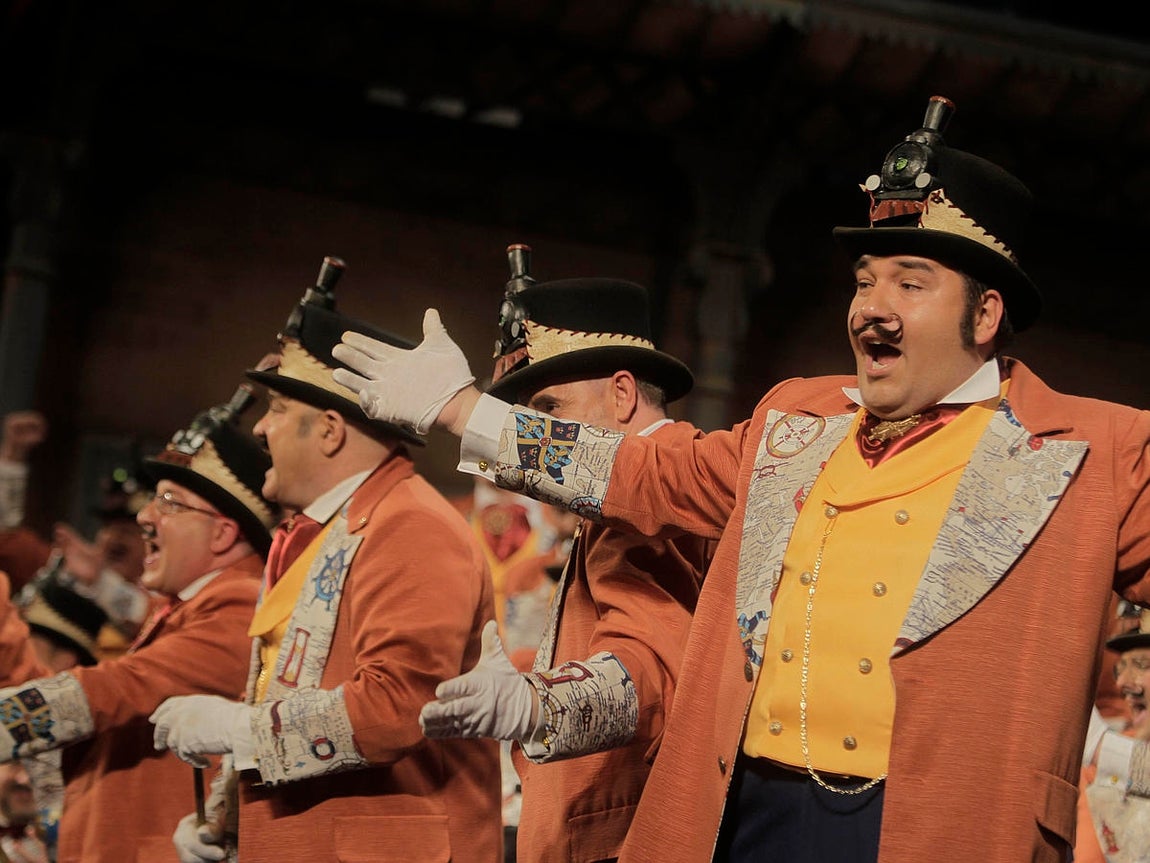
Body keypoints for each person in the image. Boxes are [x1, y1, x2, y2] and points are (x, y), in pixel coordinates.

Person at [330, 95, 1150, 863]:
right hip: (745, 806)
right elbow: (649, 469)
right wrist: (466, 411)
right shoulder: (796, 418)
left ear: (986, 313)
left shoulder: (1098, 450)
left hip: (938, 824)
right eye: (864, 280)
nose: (872, 306)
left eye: (910, 280)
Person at [149, 258, 502, 862]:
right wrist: (226, 827)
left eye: (279, 411)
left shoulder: (411, 524)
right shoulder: (327, 528)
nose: (260, 430)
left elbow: (398, 707)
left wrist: (235, 730)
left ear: (331, 431)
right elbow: (281, 689)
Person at [417, 257, 712, 862]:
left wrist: (537, 704)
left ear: (623, 393)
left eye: (547, 411)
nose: (532, 433)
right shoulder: (626, 501)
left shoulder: (649, 501)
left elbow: (651, 672)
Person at [0, 386, 275, 863]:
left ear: (223, 532)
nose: (146, 516)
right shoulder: (185, 609)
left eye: (170, 502)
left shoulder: (241, 610)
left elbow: (113, 692)